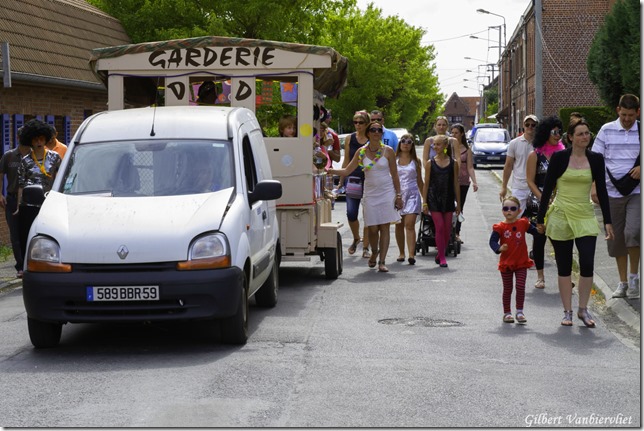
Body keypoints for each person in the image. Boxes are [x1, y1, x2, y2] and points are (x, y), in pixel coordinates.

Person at [536, 118, 614, 327]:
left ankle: (583, 309)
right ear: (570, 137)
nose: (585, 137)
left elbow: (603, 192)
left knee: (587, 263)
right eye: (580, 134)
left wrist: (608, 221)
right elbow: (547, 190)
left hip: (584, 214)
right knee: (564, 266)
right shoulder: (560, 158)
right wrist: (540, 219)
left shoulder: (596, 159)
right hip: (561, 214)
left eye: (587, 133)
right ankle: (567, 311)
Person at [328, 121, 402, 272]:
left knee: (385, 226)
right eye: (373, 130)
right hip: (370, 193)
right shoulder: (361, 152)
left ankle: (382, 261)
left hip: (386, 192)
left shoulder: (388, 151)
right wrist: (329, 170)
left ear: (382, 133)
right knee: (373, 228)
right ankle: (374, 252)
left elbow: (394, 174)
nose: (376, 132)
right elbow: (347, 170)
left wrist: (399, 195)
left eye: (379, 130)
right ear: (368, 133)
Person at [591, 94, 640, 299]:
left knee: (633, 232)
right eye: (624, 114)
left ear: (638, 112)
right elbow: (595, 159)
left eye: (631, 115)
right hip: (611, 192)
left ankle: (634, 277)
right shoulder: (606, 130)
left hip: (637, 192)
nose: (627, 119)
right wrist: (594, 186)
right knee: (616, 238)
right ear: (618, 110)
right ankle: (622, 283)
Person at [525, 115, 565, 290]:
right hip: (538, 201)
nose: (557, 135)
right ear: (545, 133)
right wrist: (542, 197)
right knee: (539, 239)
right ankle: (540, 276)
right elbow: (530, 180)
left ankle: (563, 276)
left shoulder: (564, 154)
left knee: (561, 242)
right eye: (554, 132)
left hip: (560, 201)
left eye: (560, 132)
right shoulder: (535, 155)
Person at [13, 119, 62, 260]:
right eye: (35, 140)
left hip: (48, 201)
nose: (39, 142)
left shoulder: (54, 157)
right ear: (31, 141)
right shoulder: (26, 160)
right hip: (29, 203)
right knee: (26, 232)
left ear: (45, 139)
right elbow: (21, 184)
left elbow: (62, 179)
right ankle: (25, 263)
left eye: (41, 139)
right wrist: (18, 206)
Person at [489, 196, 538, 323]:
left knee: (520, 286)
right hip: (506, 264)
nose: (509, 211)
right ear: (502, 211)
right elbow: (492, 241)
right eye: (505, 208)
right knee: (508, 288)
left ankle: (520, 311)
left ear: (518, 210)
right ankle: (507, 313)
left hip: (521, 262)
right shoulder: (499, 227)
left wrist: (540, 230)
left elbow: (535, 231)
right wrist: (499, 248)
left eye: (512, 209)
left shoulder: (523, 223)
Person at [422, 134, 461, 268]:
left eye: (438, 144)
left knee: (447, 229)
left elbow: (456, 183)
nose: (435, 147)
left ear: (445, 146)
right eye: (434, 144)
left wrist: (459, 204)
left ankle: (440, 255)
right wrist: (424, 202)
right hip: (433, 199)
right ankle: (443, 257)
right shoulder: (430, 163)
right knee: (439, 227)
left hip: (448, 198)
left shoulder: (453, 163)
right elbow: (426, 184)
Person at [339, 110, 371, 258]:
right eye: (355, 122)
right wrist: (341, 179)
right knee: (351, 213)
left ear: (367, 124)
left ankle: (366, 246)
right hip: (352, 178)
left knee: (368, 214)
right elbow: (346, 159)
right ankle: (356, 237)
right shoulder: (350, 138)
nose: (357, 125)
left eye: (361, 122)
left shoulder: (372, 138)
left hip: (369, 179)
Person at [0, 131, 31, 278]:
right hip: (12, 199)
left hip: (30, 198)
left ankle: (29, 263)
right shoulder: (9, 156)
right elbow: (0, 175)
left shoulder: (35, 155)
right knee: (15, 234)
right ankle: (20, 266)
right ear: (18, 137)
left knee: (29, 232)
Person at [394, 133, 424, 265]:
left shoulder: (416, 161)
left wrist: (426, 201)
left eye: (409, 141)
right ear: (400, 144)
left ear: (412, 145)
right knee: (399, 225)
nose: (406, 143)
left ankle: (411, 254)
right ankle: (402, 253)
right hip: (397, 195)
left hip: (412, 195)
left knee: (409, 224)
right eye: (403, 141)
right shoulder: (393, 159)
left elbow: (420, 181)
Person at [500, 115, 538, 215]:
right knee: (515, 217)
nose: (530, 127)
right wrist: (504, 187)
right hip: (519, 187)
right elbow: (508, 165)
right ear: (523, 125)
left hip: (536, 187)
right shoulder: (514, 143)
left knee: (535, 220)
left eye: (533, 125)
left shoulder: (541, 144)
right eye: (527, 124)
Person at [451, 123, 478, 243]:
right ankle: (446, 232)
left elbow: (470, 167)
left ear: (462, 134)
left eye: (456, 133)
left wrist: (474, 182)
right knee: (448, 207)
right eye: (452, 133)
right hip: (449, 181)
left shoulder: (467, 150)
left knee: (459, 207)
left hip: (463, 182)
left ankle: (456, 233)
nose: (454, 135)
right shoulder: (448, 148)